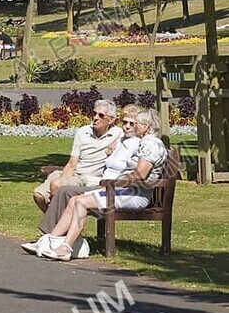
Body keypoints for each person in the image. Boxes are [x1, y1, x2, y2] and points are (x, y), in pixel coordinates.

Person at [38, 108, 169, 261]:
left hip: (134, 195)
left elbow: (140, 174)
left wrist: (114, 183)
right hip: (124, 191)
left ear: (146, 126)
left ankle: (66, 248)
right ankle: (50, 241)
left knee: (80, 202)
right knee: (74, 200)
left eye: (137, 124)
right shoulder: (146, 143)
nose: (134, 127)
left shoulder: (151, 145)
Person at [22, 105, 142, 255]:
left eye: (131, 124)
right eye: (125, 123)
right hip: (94, 181)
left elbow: (138, 173)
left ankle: (60, 242)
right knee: (45, 192)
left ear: (111, 120)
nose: (127, 127)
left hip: (107, 186)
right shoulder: (116, 138)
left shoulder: (132, 141)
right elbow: (73, 163)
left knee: (66, 192)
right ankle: (53, 239)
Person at [31, 100, 123, 213]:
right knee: (38, 195)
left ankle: (57, 227)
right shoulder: (83, 132)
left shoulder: (119, 134)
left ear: (111, 119)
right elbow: (72, 163)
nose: (95, 117)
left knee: (56, 185)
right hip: (74, 175)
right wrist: (63, 179)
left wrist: (117, 143)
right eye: (94, 113)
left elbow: (137, 132)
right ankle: (58, 224)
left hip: (89, 180)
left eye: (101, 115)